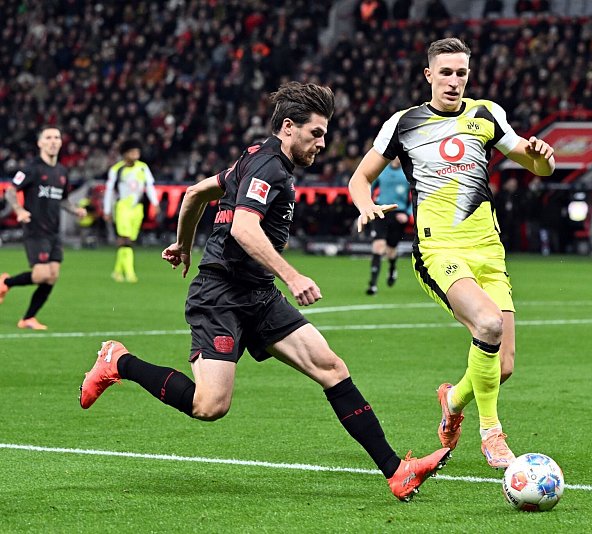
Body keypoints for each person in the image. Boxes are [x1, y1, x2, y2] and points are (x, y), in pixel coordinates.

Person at [79, 82, 449, 501]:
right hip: (220, 294)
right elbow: (243, 227)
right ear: (289, 127)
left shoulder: (256, 159)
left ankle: (397, 471)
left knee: (331, 368)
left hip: (258, 294)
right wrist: (293, 277)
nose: (322, 144)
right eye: (316, 133)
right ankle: (118, 361)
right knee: (209, 406)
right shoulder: (268, 167)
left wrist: (183, 243)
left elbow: (196, 193)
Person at [348, 38, 555, 469]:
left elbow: (537, 165)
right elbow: (359, 178)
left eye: (461, 73)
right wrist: (365, 204)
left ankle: (453, 400)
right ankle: (492, 434)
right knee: (488, 323)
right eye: (445, 72)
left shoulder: (486, 114)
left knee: (503, 366)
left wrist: (543, 159)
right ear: (429, 75)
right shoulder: (403, 123)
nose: (454, 81)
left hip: (489, 251)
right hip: (438, 249)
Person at [0, 126, 87, 330]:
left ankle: (28, 318)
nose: (53, 141)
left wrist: (75, 210)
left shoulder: (62, 171)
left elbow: (63, 199)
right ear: (40, 143)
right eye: (48, 137)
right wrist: (19, 210)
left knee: (52, 276)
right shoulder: (32, 168)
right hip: (35, 229)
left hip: (53, 232)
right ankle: (6, 282)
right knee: (41, 275)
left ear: (61, 142)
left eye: (57, 137)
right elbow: (11, 191)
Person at [103, 139, 161, 283]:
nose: (136, 154)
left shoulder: (143, 168)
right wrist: (107, 209)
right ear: (125, 154)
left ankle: (117, 271)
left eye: (137, 152)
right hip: (123, 206)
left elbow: (149, 186)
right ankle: (130, 273)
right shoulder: (117, 169)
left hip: (137, 208)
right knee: (126, 238)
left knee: (129, 241)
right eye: (132, 152)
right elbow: (109, 190)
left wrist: (155, 203)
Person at [365, 157, 411, 295]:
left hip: (398, 213)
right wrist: (369, 206)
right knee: (378, 246)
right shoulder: (381, 171)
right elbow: (369, 188)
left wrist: (407, 213)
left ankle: (392, 268)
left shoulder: (407, 173)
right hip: (381, 211)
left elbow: (416, 194)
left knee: (391, 250)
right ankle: (372, 284)